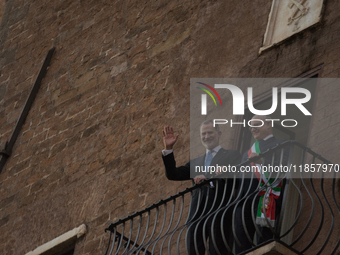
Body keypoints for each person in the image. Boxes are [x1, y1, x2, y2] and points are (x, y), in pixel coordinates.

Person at [162, 120, 241, 255]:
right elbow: (173, 174)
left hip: (220, 211)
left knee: (219, 250)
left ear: (219, 133)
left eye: (210, 132)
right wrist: (168, 149)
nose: (206, 136)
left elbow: (237, 179)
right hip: (197, 214)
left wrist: (211, 179)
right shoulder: (195, 162)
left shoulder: (232, 155)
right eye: (203, 134)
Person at [234, 115, 290, 254]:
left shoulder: (282, 144)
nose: (253, 128)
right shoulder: (247, 153)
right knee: (241, 242)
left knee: (263, 241)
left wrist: (262, 162)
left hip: (265, 197)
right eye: (251, 126)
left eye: (257, 124)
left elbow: (282, 168)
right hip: (245, 199)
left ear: (269, 124)